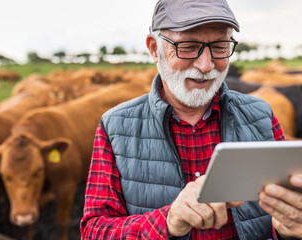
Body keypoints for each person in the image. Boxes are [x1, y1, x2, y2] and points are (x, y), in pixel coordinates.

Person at [80, 0, 302, 239]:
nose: (206, 65)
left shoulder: (262, 116)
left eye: (219, 46)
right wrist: (168, 220)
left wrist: (291, 230)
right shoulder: (115, 126)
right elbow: (94, 230)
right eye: (187, 46)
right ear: (154, 49)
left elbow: (285, 217)